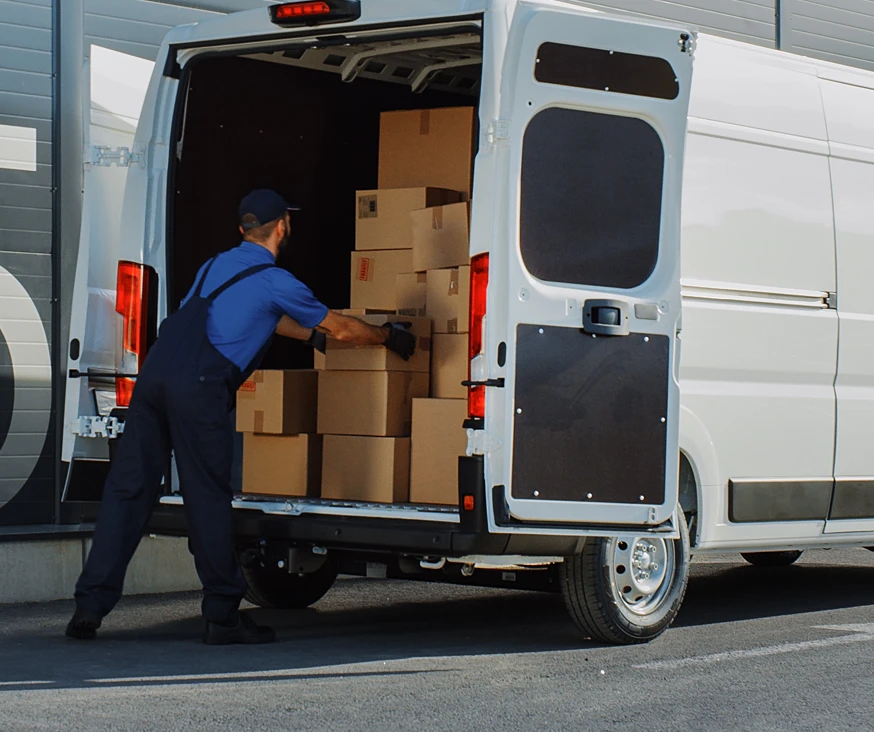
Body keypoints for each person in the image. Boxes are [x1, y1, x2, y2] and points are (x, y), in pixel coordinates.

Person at [66, 189, 415, 645]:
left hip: (154, 380)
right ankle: (222, 616)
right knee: (207, 499)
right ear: (283, 226)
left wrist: (309, 338)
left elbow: (254, 316)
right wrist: (389, 337)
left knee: (127, 491)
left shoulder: (214, 267)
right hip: (200, 389)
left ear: (242, 229)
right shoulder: (276, 280)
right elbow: (344, 327)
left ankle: (89, 608)